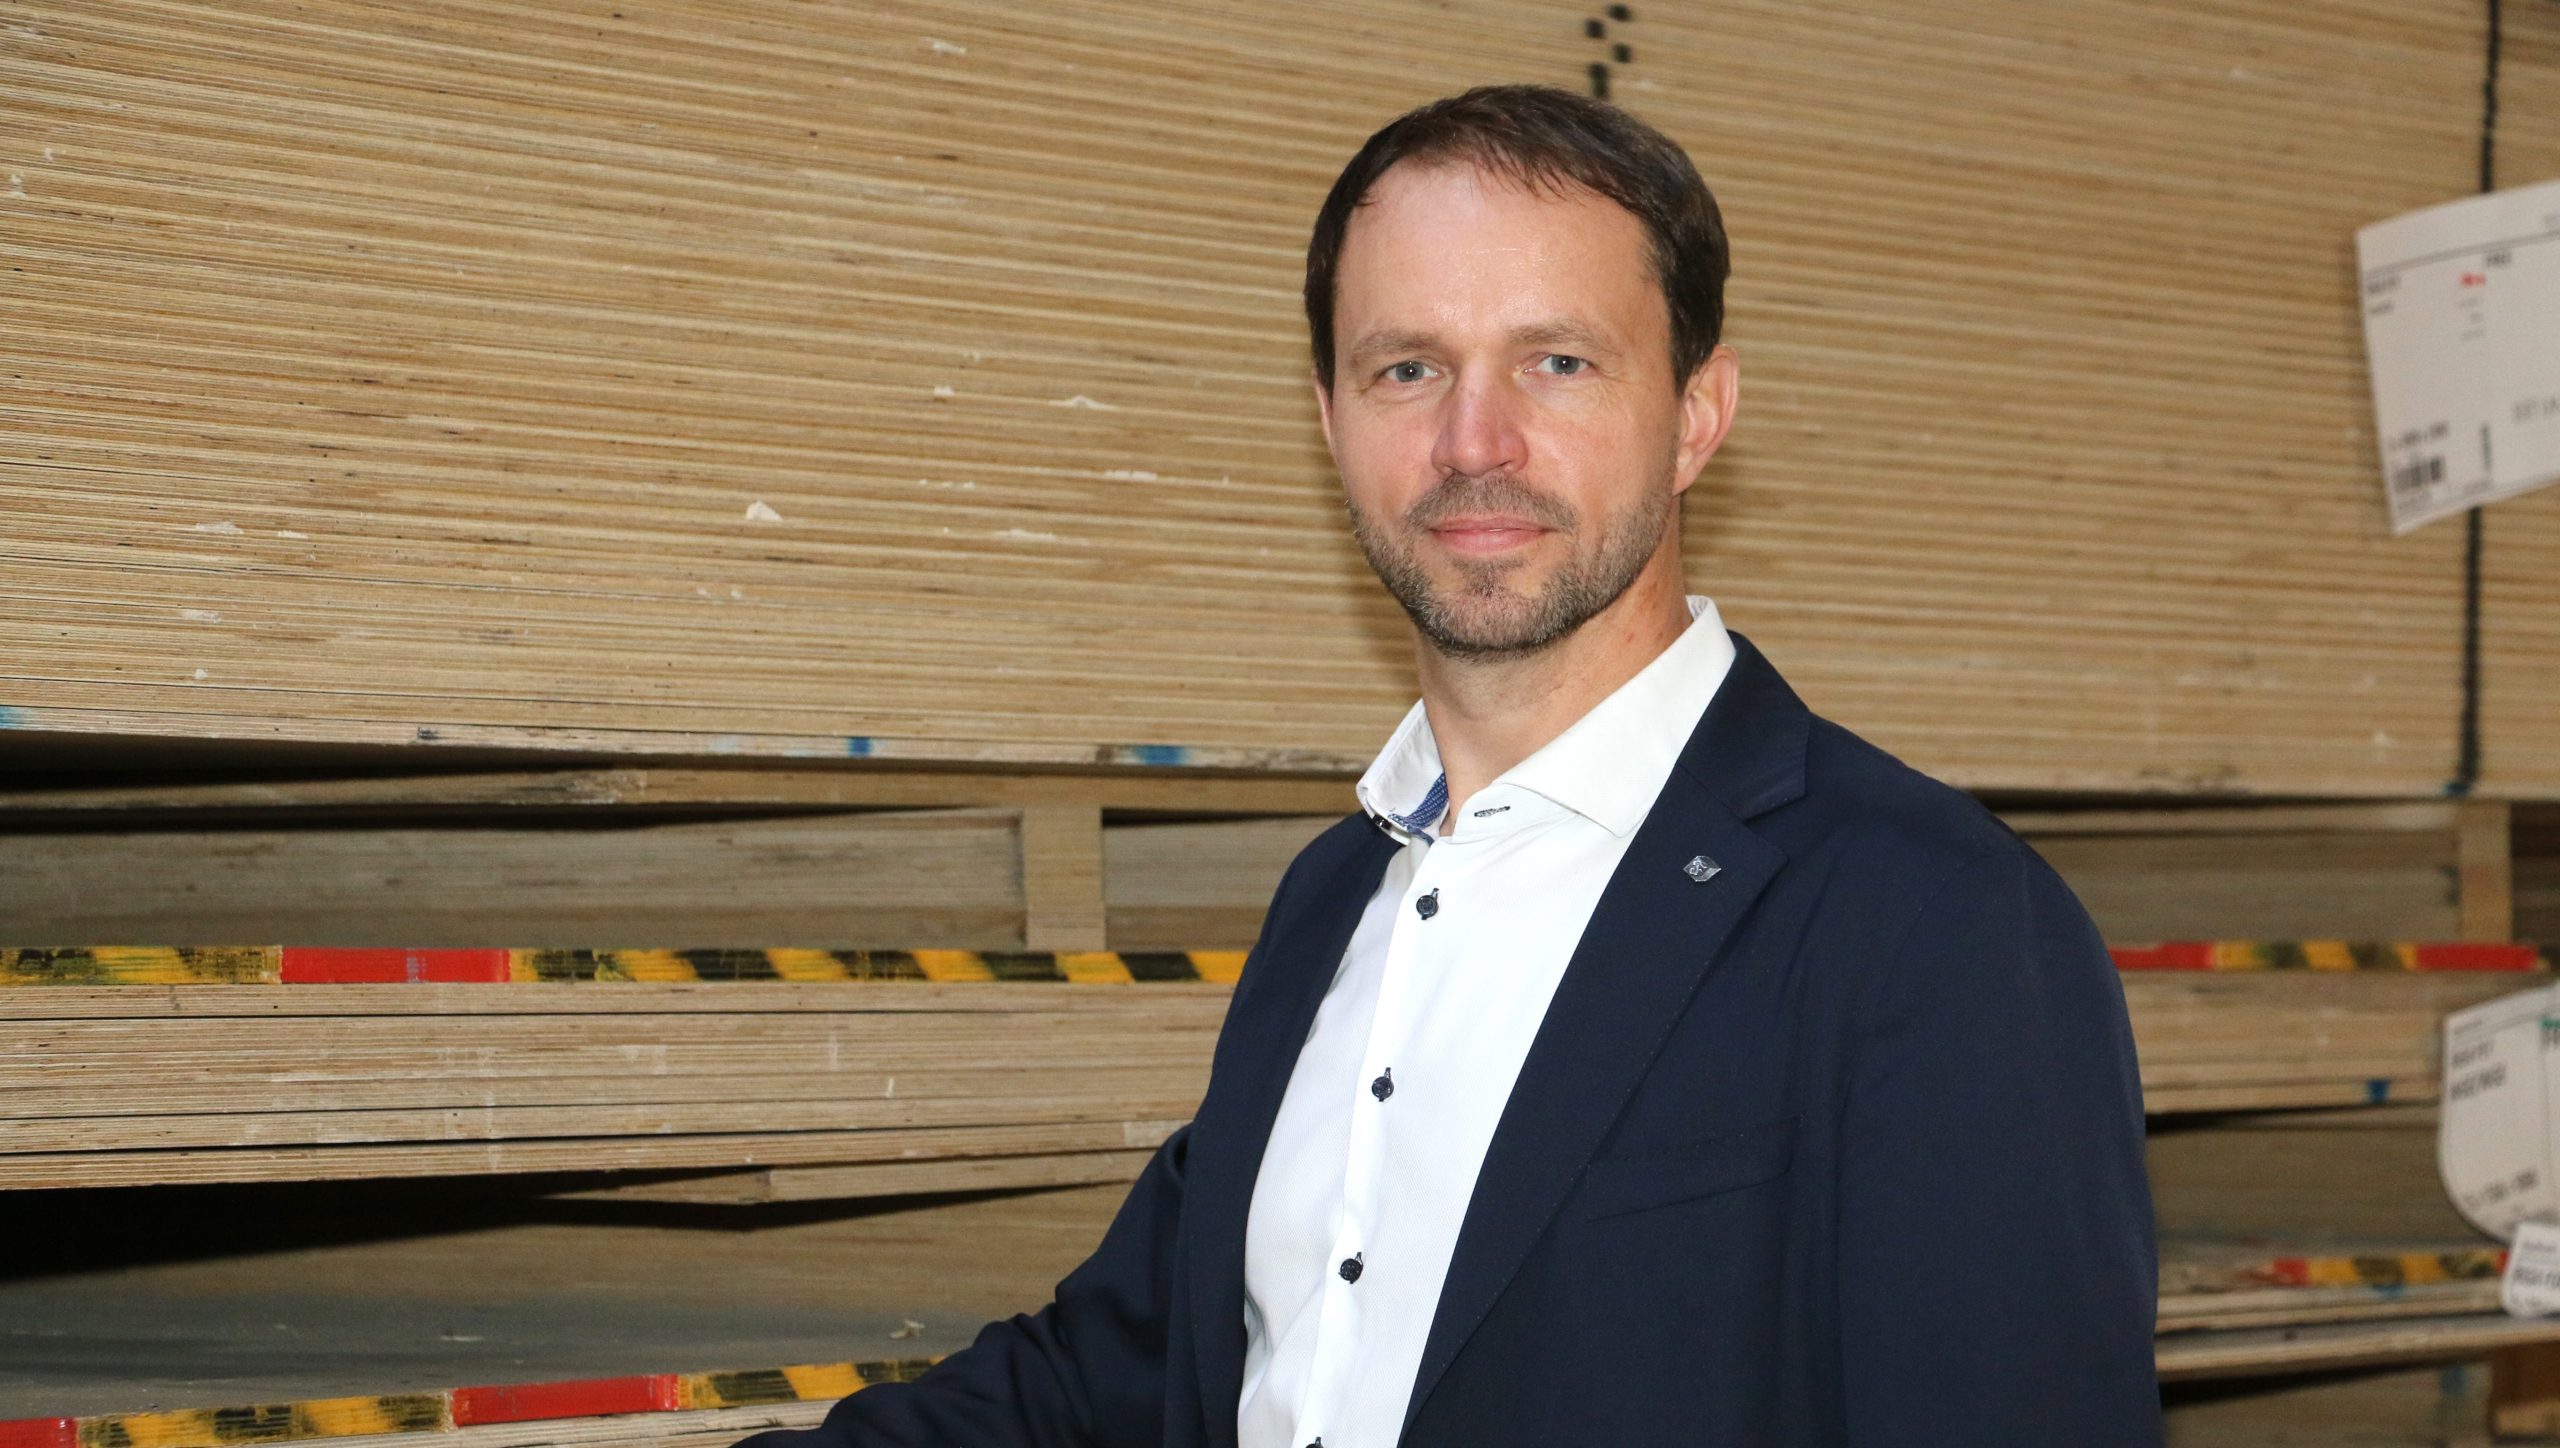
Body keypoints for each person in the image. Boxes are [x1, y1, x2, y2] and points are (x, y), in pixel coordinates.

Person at [741, 83, 2161, 1448]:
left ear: (1697, 414)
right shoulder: (1335, 898)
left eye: (1558, 362)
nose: (1474, 443)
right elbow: (1117, 1373)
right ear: (1331, 419)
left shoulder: (1933, 922)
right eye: (1408, 369)